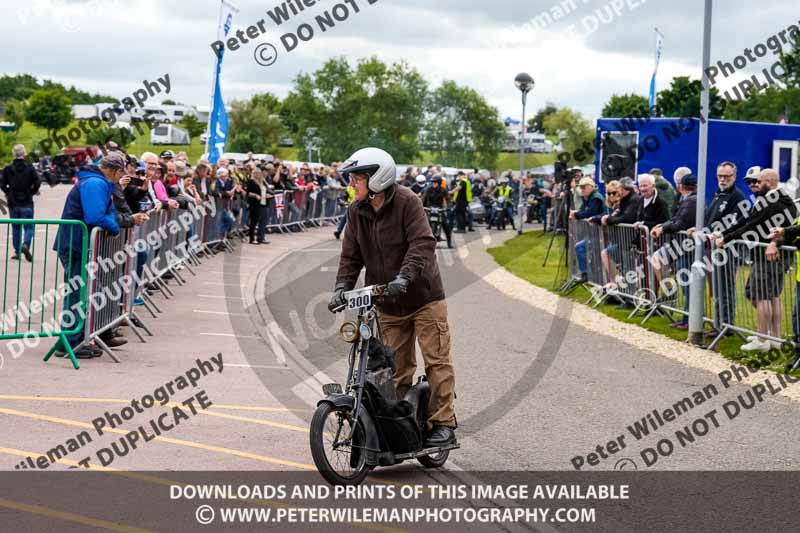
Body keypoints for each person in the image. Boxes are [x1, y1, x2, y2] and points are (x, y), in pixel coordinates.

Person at [328, 147, 457, 447]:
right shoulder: (356, 211)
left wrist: (404, 277)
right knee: (395, 370)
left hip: (424, 298)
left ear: (375, 179)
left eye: (355, 179)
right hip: (387, 302)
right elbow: (351, 255)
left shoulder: (407, 202)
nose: (351, 185)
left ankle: (443, 423)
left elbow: (422, 243)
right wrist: (340, 287)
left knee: (436, 361)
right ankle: (398, 428)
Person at [54, 152, 126, 359]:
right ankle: (70, 341)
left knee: (81, 293)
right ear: (114, 170)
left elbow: (108, 211)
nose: (121, 177)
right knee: (77, 294)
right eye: (121, 172)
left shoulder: (98, 181)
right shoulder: (95, 183)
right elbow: (95, 215)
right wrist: (113, 228)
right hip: (76, 245)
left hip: (79, 244)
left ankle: (73, 339)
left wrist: (111, 222)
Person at [715, 168, 797, 352]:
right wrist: (724, 233)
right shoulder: (785, 199)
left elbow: (749, 226)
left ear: (769, 181)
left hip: (767, 256)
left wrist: (725, 238)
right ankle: (773, 337)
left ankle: (762, 339)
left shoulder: (770, 201)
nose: (756, 186)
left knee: (761, 296)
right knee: (772, 296)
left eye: (759, 182)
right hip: (777, 255)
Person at [691, 162, 747, 338]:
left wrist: (721, 234)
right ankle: (718, 323)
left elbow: (739, 222)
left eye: (726, 176)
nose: (723, 179)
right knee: (715, 287)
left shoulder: (737, 197)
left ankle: (726, 325)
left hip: (727, 249)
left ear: (734, 176)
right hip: (712, 248)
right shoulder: (718, 194)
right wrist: (699, 228)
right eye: (720, 176)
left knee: (725, 287)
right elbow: (710, 218)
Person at [650, 174, 699, 329]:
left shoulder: (691, 201)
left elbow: (680, 223)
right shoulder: (687, 199)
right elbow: (675, 219)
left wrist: (663, 228)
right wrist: (661, 226)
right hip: (680, 245)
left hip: (686, 247)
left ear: (680, 186)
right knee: (657, 259)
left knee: (688, 286)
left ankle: (688, 319)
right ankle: (681, 312)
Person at [0, 144, 40, 262]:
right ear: (24, 153)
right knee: (28, 227)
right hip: (27, 202)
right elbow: (37, 181)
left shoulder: (8, 168)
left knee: (16, 227)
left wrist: (8, 192)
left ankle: (17, 251)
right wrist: (32, 192)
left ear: (14, 154)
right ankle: (26, 245)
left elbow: (2, 184)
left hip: (13, 203)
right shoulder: (30, 168)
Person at [569, 177, 605, 283]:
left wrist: (576, 214)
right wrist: (576, 213)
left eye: (584, 187)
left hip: (600, 234)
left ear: (591, 187)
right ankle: (586, 274)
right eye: (581, 187)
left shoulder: (596, 197)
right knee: (581, 248)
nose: (582, 189)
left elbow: (590, 212)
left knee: (587, 251)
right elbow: (583, 210)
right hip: (593, 233)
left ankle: (591, 276)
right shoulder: (589, 197)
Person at [422, 176, 453, 248]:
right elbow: (423, 198)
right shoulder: (428, 189)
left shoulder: (443, 190)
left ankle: (449, 243)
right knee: (423, 226)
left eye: (435, 183)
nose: (433, 184)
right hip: (429, 209)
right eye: (432, 182)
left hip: (440, 210)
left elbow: (448, 199)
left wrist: (449, 207)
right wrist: (421, 205)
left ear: (439, 183)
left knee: (446, 226)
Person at [246, 167, 272, 244]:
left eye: (259, 173)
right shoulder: (251, 181)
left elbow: (265, 191)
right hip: (255, 204)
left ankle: (261, 237)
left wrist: (267, 194)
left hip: (264, 203)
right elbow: (248, 193)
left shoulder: (263, 182)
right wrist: (256, 195)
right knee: (254, 222)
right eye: (256, 173)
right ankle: (252, 238)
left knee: (263, 221)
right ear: (253, 174)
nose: (257, 174)